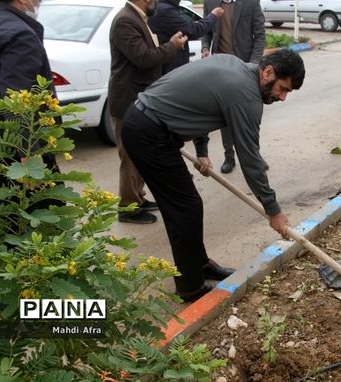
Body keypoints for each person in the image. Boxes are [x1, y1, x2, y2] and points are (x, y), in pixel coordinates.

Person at [121, 49, 305, 302]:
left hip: (150, 123)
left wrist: (202, 151)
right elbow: (251, 160)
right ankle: (190, 286)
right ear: (268, 72)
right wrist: (273, 211)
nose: (283, 97)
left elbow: (196, 104)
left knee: (188, 206)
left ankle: (199, 264)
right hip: (148, 132)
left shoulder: (234, 65)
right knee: (184, 208)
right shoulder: (246, 96)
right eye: (282, 89)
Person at [0, 0, 60, 190]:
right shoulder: (19, 33)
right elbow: (16, 99)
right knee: (38, 210)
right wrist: (29, 155)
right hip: (13, 148)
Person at [108, 0, 187, 224]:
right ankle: (127, 208)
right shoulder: (125, 20)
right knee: (131, 158)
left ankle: (137, 198)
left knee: (140, 154)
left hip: (140, 100)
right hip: (127, 102)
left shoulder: (138, 19)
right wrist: (172, 46)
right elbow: (143, 59)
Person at [201, 0, 266, 174]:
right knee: (224, 114)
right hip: (221, 68)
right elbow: (206, 30)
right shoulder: (210, 2)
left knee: (250, 115)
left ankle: (255, 155)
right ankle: (229, 156)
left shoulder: (250, 2)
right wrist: (205, 48)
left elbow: (260, 35)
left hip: (246, 67)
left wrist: (253, 63)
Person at [148, 0, 223, 75]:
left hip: (167, 65)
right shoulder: (165, 10)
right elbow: (193, 31)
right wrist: (213, 16)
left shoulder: (163, 7)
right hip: (170, 68)